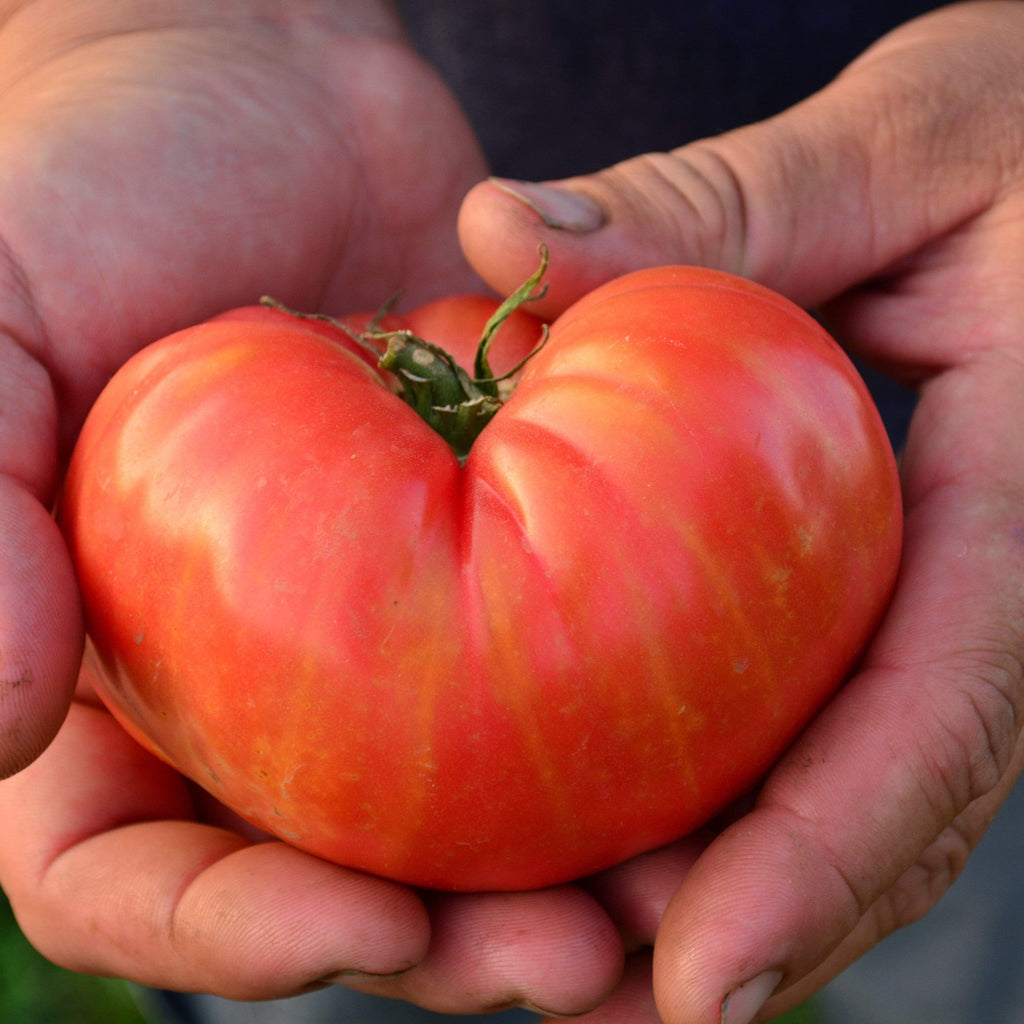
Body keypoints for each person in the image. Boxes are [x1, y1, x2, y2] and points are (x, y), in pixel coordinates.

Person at [0, 2, 1023, 1023]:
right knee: (302, 961)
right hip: (729, 408)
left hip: (955, 352)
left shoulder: (185, 440)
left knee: (944, 857)